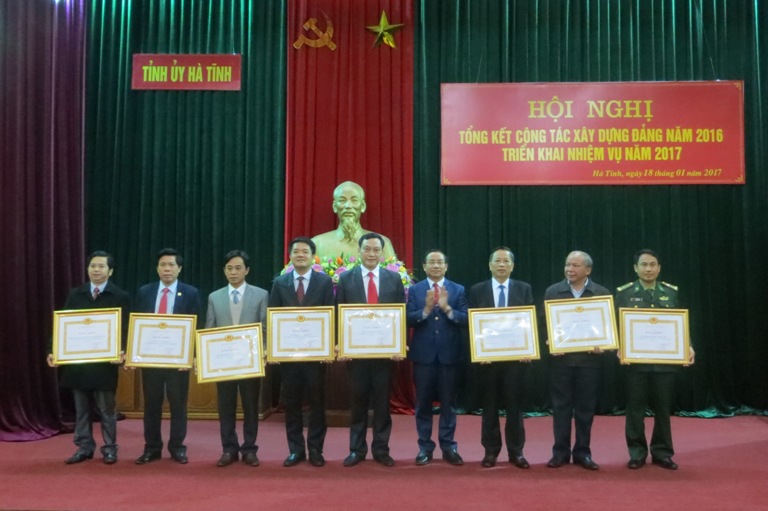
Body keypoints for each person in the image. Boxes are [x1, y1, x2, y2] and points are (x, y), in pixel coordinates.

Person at [47, 251, 130, 465]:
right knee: (81, 410)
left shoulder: (120, 296)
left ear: (110, 271)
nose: (96, 270)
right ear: (87, 269)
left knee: (106, 410)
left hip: (104, 364)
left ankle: (110, 448)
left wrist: (122, 350)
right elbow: (62, 325)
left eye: (101, 266)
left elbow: (125, 329)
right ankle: (84, 447)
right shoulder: (76, 294)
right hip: (79, 364)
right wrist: (53, 350)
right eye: (93, 266)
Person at [615, 249, 695, 470]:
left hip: (664, 362)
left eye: (652, 264)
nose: (648, 269)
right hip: (635, 362)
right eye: (643, 265)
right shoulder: (624, 293)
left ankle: (662, 453)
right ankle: (637, 453)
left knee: (663, 409)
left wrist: (687, 345)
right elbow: (616, 325)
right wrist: (620, 347)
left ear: (659, 268)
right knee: (635, 410)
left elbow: (680, 322)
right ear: (635, 268)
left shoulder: (671, 292)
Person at [335, 232, 406, 467]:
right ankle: (356, 450)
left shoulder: (393, 279)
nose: (371, 254)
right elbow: (339, 313)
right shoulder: (346, 279)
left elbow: (400, 313)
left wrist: (399, 344)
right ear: (359, 251)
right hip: (356, 354)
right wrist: (341, 343)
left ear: (382, 253)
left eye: (376, 250)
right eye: (367, 249)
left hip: (385, 354)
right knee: (358, 403)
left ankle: (381, 449)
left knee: (382, 404)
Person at [268, 237, 334, 467]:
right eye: (296, 251)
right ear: (290, 256)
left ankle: (316, 449)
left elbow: (331, 314)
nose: (300, 255)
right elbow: (272, 315)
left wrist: (329, 346)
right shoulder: (280, 283)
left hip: (316, 355)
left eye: (305, 251)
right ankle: (295, 450)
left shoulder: (324, 282)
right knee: (292, 403)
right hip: (289, 355)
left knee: (317, 403)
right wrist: (273, 349)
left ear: (313, 256)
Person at [134, 248, 202, 465]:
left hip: (177, 362)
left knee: (178, 405)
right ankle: (152, 448)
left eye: (171, 265)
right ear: (157, 268)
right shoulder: (145, 292)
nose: (167, 269)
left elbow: (197, 326)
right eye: (163, 265)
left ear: (179, 268)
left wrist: (191, 356)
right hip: (151, 360)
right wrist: (135, 354)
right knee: (151, 405)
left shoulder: (190, 293)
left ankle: (177, 447)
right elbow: (136, 324)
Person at [543, 250, 611, 471]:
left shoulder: (600, 293)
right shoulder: (553, 291)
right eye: (567, 265)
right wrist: (550, 342)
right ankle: (560, 453)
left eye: (575, 265)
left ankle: (583, 453)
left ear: (587, 270)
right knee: (560, 408)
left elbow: (608, 327)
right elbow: (545, 325)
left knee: (585, 409)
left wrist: (604, 343)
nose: (569, 269)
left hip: (590, 362)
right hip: (561, 362)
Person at [468, 247, 534, 469]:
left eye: (506, 261)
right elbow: (472, 324)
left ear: (512, 266)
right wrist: (479, 351)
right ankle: (490, 451)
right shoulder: (477, 290)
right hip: (487, 361)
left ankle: (517, 452)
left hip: (515, 361)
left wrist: (528, 349)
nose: (502, 264)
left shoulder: (524, 289)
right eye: (497, 261)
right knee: (489, 408)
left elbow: (529, 322)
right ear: (490, 265)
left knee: (515, 408)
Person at [206, 250, 268, 467]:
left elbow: (265, 328)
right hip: (223, 364)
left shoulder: (261, 295)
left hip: (251, 362)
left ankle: (249, 449)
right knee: (226, 407)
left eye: (238, 268)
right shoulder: (214, 297)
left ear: (247, 270)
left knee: (251, 407)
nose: (233, 272)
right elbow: (210, 330)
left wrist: (264, 351)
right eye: (229, 268)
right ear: (224, 270)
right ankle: (228, 449)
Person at [406, 249, 468, 466]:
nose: (435, 266)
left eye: (439, 262)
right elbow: (407, 318)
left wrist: (447, 308)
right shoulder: (415, 290)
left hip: (450, 356)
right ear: (424, 266)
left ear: (446, 266)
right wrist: (425, 310)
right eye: (431, 262)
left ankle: (449, 446)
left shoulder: (458, 289)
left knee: (448, 404)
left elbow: (466, 318)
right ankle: (425, 447)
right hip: (423, 357)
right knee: (422, 404)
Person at [311, 181, 396, 261]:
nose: (348, 206)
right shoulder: (318, 244)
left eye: (354, 200)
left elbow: (392, 271)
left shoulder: (383, 244)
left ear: (363, 206)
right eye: (342, 200)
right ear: (335, 207)